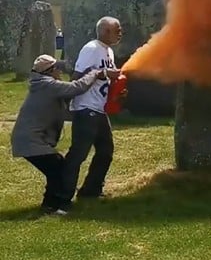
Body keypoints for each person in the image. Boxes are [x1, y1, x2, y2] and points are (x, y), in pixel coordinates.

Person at [10, 55, 104, 215]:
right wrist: (94, 73)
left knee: (56, 169)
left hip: (28, 139)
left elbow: (63, 109)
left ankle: (50, 205)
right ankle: (52, 207)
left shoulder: (43, 85)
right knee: (59, 169)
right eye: (57, 68)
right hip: (31, 141)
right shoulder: (48, 85)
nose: (60, 71)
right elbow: (77, 87)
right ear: (50, 71)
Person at [61, 16, 125, 202]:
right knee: (78, 154)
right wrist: (68, 104)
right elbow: (76, 77)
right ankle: (61, 196)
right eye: (117, 30)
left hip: (99, 109)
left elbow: (105, 81)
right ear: (105, 31)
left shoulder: (109, 52)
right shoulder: (92, 49)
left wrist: (117, 93)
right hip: (86, 108)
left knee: (105, 151)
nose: (120, 33)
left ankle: (90, 190)